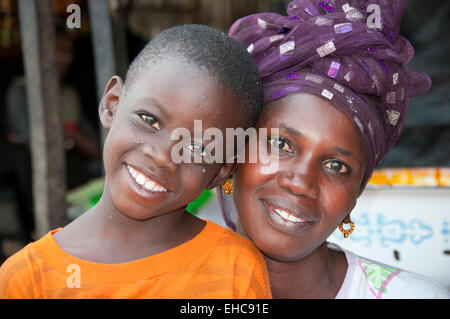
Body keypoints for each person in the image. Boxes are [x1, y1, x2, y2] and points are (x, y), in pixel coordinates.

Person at [0, 24, 271, 299]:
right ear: (112, 104)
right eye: (149, 120)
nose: (163, 156)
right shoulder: (26, 281)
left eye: (197, 148)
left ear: (220, 172)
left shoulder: (235, 270)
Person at [218, 0, 450, 298]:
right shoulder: (165, 286)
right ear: (236, 152)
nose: (301, 182)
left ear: (356, 194)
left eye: (336, 166)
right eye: (281, 144)